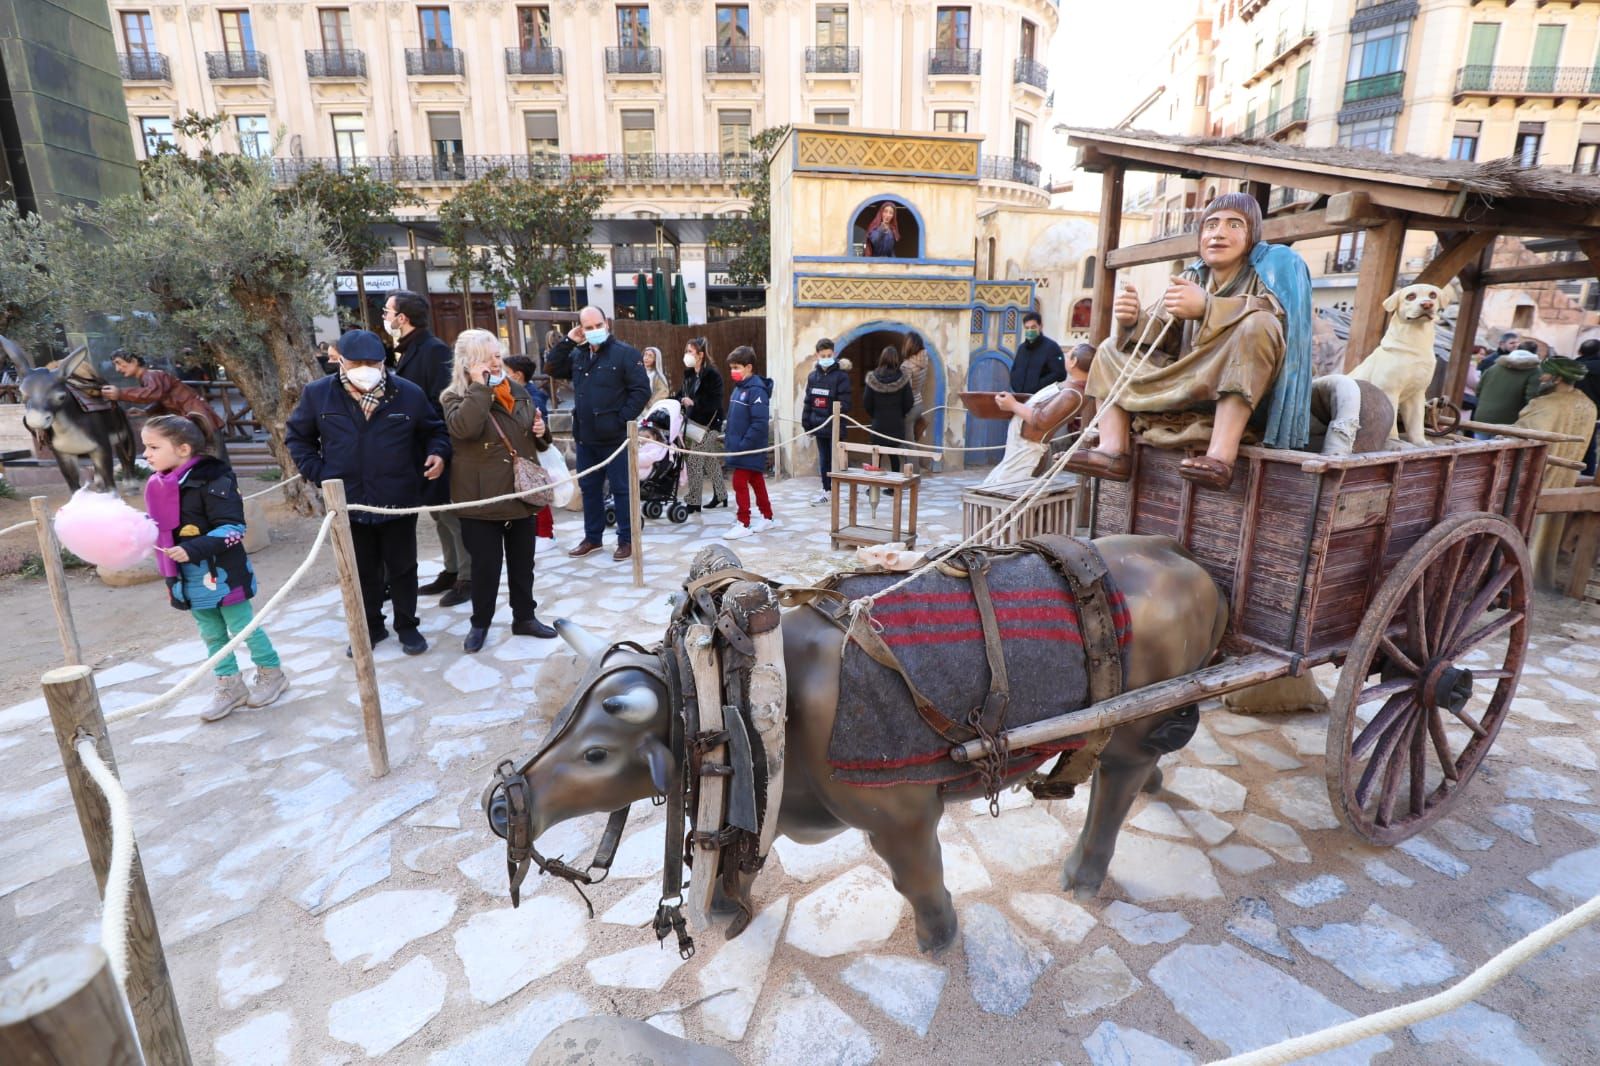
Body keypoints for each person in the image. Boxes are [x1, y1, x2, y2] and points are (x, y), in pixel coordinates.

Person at [1070, 192, 1312, 491]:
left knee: (1259, 325)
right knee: (1110, 348)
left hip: (1247, 389)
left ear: (1252, 235)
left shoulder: (1275, 266)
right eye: (1211, 225)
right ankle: (1112, 450)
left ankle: (1220, 458)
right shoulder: (1193, 274)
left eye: (1234, 225)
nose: (1219, 233)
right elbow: (1161, 335)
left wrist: (1208, 307)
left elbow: (1279, 318)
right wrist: (1134, 322)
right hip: (1189, 380)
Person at [286, 329, 449, 655]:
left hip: (397, 498)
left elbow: (434, 430)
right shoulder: (318, 394)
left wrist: (438, 453)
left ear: (383, 361)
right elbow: (297, 438)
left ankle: (407, 626)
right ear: (341, 361)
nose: (365, 368)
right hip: (346, 501)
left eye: (372, 362)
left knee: (403, 567)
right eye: (356, 362)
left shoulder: (408, 393)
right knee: (361, 570)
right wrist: (321, 475)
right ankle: (371, 627)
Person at [140, 415, 287, 721]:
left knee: (243, 626)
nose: (146, 454)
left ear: (182, 449)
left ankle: (272, 672)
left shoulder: (214, 479)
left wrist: (192, 548)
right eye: (146, 447)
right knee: (211, 633)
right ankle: (229, 683)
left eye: (153, 447)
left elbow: (233, 527)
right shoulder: (158, 485)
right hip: (185, 575)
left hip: (223, 573)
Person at [440, 330, 557, 651]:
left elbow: (533, 440)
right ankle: (480, 624)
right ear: (469, 363)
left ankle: (525, 617)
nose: (497, 361)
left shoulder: (516, 390)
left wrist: (542, 431)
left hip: (520, 494)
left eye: (497, 354)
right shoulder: (454, 396)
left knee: (523, 564)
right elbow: (464, 428)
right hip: (481, 498)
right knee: (485, 567)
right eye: (488, 356)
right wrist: (480, 387)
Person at [384, 289, 470, 608]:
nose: (385, 318)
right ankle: (451, 569)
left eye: (387, 312)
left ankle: (467, 576)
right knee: (438, 513)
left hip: (437, 444)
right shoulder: (408, 350)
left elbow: (441, 400)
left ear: (402, 318)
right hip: (419, 445)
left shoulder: (432, 350)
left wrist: (440, 447)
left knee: (451, 513)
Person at [545, 305, 651, 561]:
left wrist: (620, 420)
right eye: (588, 327)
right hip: (586, 437)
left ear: (607, 324)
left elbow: (641, 391)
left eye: (597, 326)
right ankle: (593, 538)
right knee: (589, 489)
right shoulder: (578, 355)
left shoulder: (625, 354)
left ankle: (627, 540)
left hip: (615, 438)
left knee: (622, 489)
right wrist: (569, 341)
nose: (594, 331)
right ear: (581, 329)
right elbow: (552, 367)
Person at [1516, 356, 1598, 585]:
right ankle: (1537, 573)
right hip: (1566, 477)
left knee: (1526, 528)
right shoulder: (1588, 404)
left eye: (1544, 373)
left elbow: (1523, 439)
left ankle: (1518, 573)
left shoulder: (1546, 405)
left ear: (1557, 377)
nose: (1540, 377)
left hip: (1537, 479)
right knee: (1548, 531)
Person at [103, 350, 227, 456]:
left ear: (134, 361)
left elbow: (153, 393)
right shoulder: (149, 378)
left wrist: (120, 394)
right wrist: (146, 411)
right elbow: (164, 399)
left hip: (199, 419)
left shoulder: (152, 375)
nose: (117, 369)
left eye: (118, 363)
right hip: (196, 419)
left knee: (213, 459)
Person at [721, 346, 774, 540]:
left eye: (737, 367)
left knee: (739, 482)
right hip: (738, 447)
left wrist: (744, 444)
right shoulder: (738, 389)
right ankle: (767, 516)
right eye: (731, 367)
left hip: (748, 448)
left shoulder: (757, 390)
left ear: (749, 367)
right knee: (757, 481)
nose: (733, 371)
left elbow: (759, 423)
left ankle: (743, 522)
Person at [677, 336, 729, 514]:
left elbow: (714, 402)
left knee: (694, 460)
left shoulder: (712, 375)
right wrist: (678, 400)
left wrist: (693, 403)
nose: (686, 355)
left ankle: (693, 502)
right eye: (686, 351)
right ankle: (721, 495)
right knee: (709, 459)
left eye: (689, 352)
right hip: (695, 423)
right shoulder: (689, 375)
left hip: (710, 424)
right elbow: (680, 394)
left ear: (700, 355)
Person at [800, 337, 851, 504]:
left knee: (836, 460)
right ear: (817, 355)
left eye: (829, 354)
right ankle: (826, 490)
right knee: (824, 459)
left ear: (834, 354)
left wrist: (832, 412)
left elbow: (846, 403)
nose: (826, 358)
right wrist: (806, 423)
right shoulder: (813, 377)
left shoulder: (841, 377)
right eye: (823, 355)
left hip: (834, 426)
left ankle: (836, 490)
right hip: (819, 425)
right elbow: (808, 401)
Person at [863, 345, 914, 472]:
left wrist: (874, 415)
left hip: (879, 423)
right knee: (894, 455)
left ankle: (874, 487)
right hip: (896, 423)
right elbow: (909, 401)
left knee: (877, 455)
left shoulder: (872, 378)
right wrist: (901, 414)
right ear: (896, 359)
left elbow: (866, 402)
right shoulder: (903, 378)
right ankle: (893, 488)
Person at [1473, 342, 1544, 426]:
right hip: (1509, 423)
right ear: (1535, 353)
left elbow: (1478, 390)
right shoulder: (1535, 371)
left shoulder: (1495, 366)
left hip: (1482, 418)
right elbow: (1532, 399)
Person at [1009, 312, 1067, 395]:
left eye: (1033, 327)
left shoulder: (1052, 347)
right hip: (1019, 396)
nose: (1030, 330)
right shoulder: (1021, 348)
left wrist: (1037, 386)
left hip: (1041, 398)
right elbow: (1015, 369)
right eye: (1027, 328)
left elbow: (1060, 374)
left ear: (1040, 326)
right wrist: (1015, 384)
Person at [902, 332, 932, 472]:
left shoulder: (907, 365)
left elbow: (905, 392)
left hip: (910, 406)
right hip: (919, 402)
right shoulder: (924, 361)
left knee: (909, 443)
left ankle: (914, 476)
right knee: (911, 440)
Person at [1573, 338, 1600, 476]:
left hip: (1570, 411)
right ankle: (1587, 475)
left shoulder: (1572, 368)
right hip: (1594, 413)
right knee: (1588, 445)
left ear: (1580, 351)